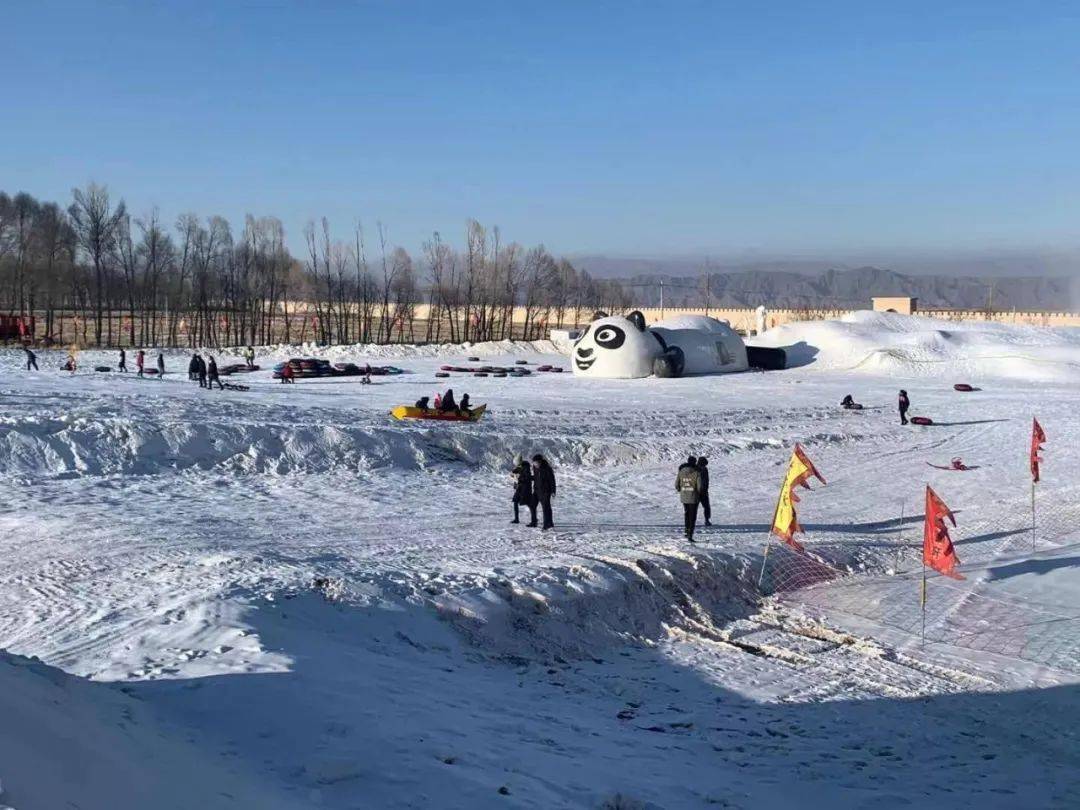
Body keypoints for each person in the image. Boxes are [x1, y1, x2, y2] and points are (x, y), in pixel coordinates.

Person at [675, 455, 703, 542]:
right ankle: (690, 534)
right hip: (693, 497)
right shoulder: (697, 473)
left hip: (684, 497)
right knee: (692, 516)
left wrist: (681, 490)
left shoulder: (681, 472)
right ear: (694, 462)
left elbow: (676, 484)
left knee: (686, 514)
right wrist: (700, 493)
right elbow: (700, 487)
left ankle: (686, 531)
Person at [531, 454, 556, 530]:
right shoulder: (535, 468)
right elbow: (535, 478)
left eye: (536, 463)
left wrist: (553, 491)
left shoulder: (547, 469)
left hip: (545, 491)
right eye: (534, 463)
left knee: (546, 508)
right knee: (532, 505)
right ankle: (534, 522)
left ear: (540, 462)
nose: (535, 464)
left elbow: (552, 480)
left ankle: (547, 524)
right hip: (537, 490)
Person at [511, 454, 536, 525]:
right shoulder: (520, 466)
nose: (516, 465)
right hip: (519, 488)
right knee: (515, 501)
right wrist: (513, 473)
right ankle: (516, 519)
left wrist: (519, 478)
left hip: (525, 489)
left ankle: (534, 521)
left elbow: (527, 478)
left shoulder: (526, 467)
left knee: (529, 504)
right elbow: (516, 470)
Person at [696, 456, 711, 527]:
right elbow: (706, 481)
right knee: (706, 506)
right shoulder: (704, 469)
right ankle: (707, 520)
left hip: (695, 491)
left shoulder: (694, 469)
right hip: (703, 492)